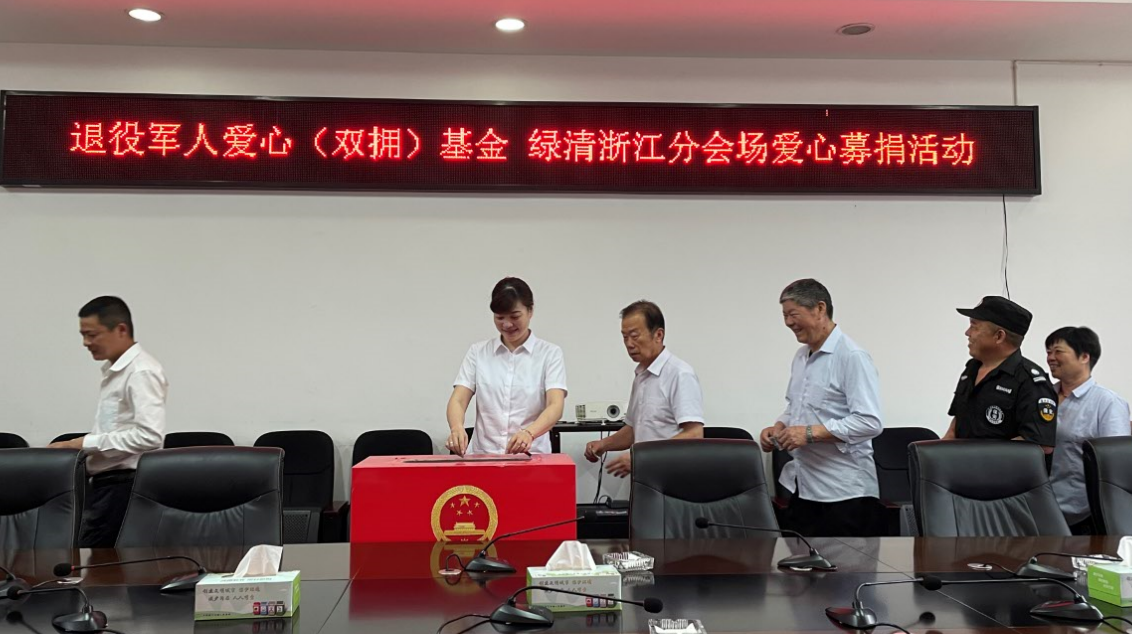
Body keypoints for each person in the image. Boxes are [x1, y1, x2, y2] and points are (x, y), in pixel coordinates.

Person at [759, 279, 884, 537]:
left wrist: (809, 433)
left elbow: (870, 422)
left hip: (846, 494)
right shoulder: (801, 356)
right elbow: (796, 406)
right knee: (801, 562)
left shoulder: (852, 356)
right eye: (784, 316)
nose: (788, 323)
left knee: (847, 563)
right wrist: (779, 426)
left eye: (793, 314)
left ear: (819, 309)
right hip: (804, 489)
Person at [48, 296, 167, 548]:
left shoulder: (140, 371)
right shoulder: (117, 371)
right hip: (107, 484)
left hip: (125, 486)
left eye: (92, 335)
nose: (86, 343)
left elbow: (150, 436)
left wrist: (81, 443)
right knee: (94, 558)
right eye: (83, 335)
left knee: (100, 561)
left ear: (121, 329)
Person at [445, 277, 567, 455]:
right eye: (499, 317)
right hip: (484, 455)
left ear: (530, 311)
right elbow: (458, 399)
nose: (507, 324)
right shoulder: (478, 352)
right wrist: (456, 427)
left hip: (532, 456)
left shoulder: (549, 353)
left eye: (515, 316)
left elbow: (555, 405)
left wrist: (529, 433)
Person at [584, 300, 704, 477]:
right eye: (625, 337)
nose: (629, 344)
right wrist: (603, 444)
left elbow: (694, 434)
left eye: (634, 336)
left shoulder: (680, 374)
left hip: (673, 478)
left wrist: (642, 458)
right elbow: (634, 430)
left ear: (658, 335)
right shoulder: (641, 376)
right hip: (645, 476)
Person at [943, 296, 1058, 460]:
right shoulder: (972, 369)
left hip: (1004, 474)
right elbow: (957, 424)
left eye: (974, 326)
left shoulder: (1030, 382)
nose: (967, 333)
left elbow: (1040, 444)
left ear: (999, 336)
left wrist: (979, 460)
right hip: (962, 470)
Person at [1045, 326, 1130, 534]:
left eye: (1058, 351)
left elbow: (1116, 468)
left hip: (1085, 516)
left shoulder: (1107, 403)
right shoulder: (1043, 397)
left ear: (1084, 356)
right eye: (1048, 352)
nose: (1050, 358)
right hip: (1041, 510)